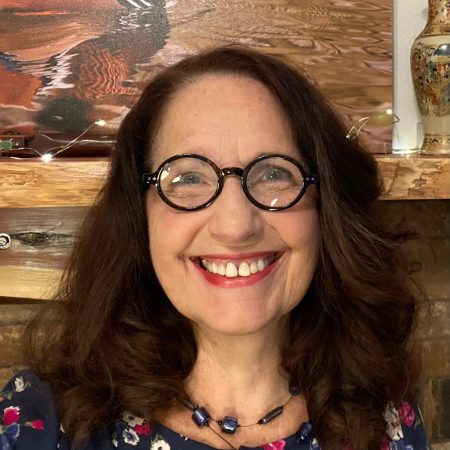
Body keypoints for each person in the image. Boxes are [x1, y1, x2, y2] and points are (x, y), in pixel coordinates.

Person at [0, 46, 429, 450]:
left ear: (325, 207)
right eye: (188, 178)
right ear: (139, 214)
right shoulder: (42, 422)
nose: (235, 226)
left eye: (274, 174)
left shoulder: (384, 419)